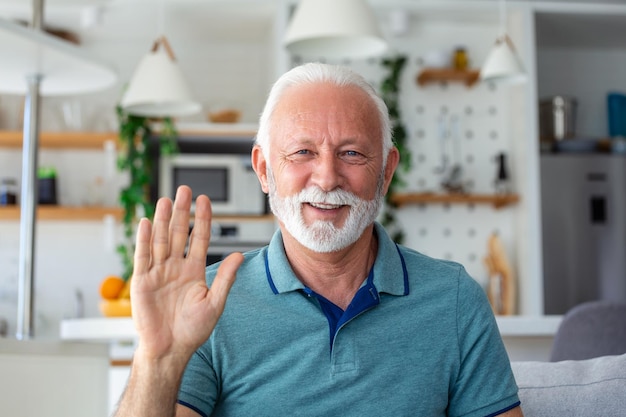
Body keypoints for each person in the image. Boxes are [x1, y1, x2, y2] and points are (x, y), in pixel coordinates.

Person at [114, 63, 524, 417]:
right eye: (302, 152)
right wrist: (157, 357)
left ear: (385, 171)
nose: (327, 178)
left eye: (351, 154)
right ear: (263, 169)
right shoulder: (206, 305)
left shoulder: (453, 299)